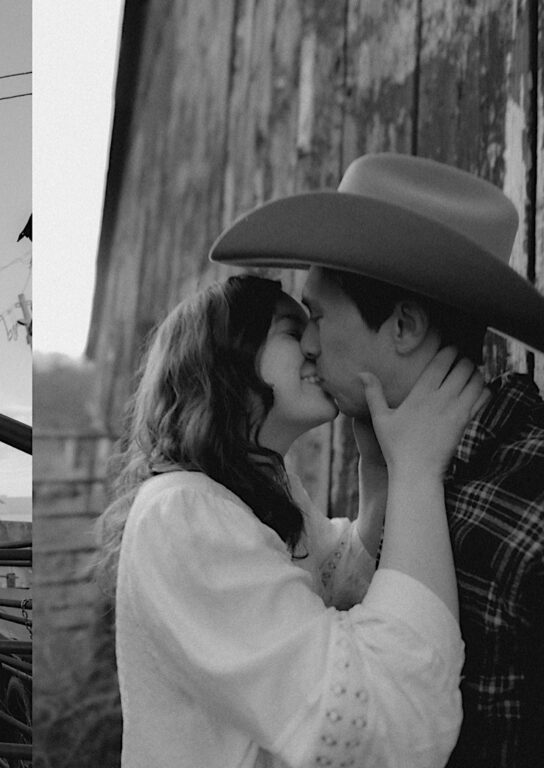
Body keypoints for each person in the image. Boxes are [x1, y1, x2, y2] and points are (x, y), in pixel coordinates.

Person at [211, 152, 544, 767]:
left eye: (316, 314)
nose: (306, 344)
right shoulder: (413, 469)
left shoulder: (523, 501)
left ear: (404, 326)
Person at [96, 274, 487, 768]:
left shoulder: (260, 496)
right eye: (289, 328)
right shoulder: (184, 514)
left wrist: (382, 475)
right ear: (225, 357)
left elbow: (329, 586)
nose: (312, 346)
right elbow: (373, 725)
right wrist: (416, 470)